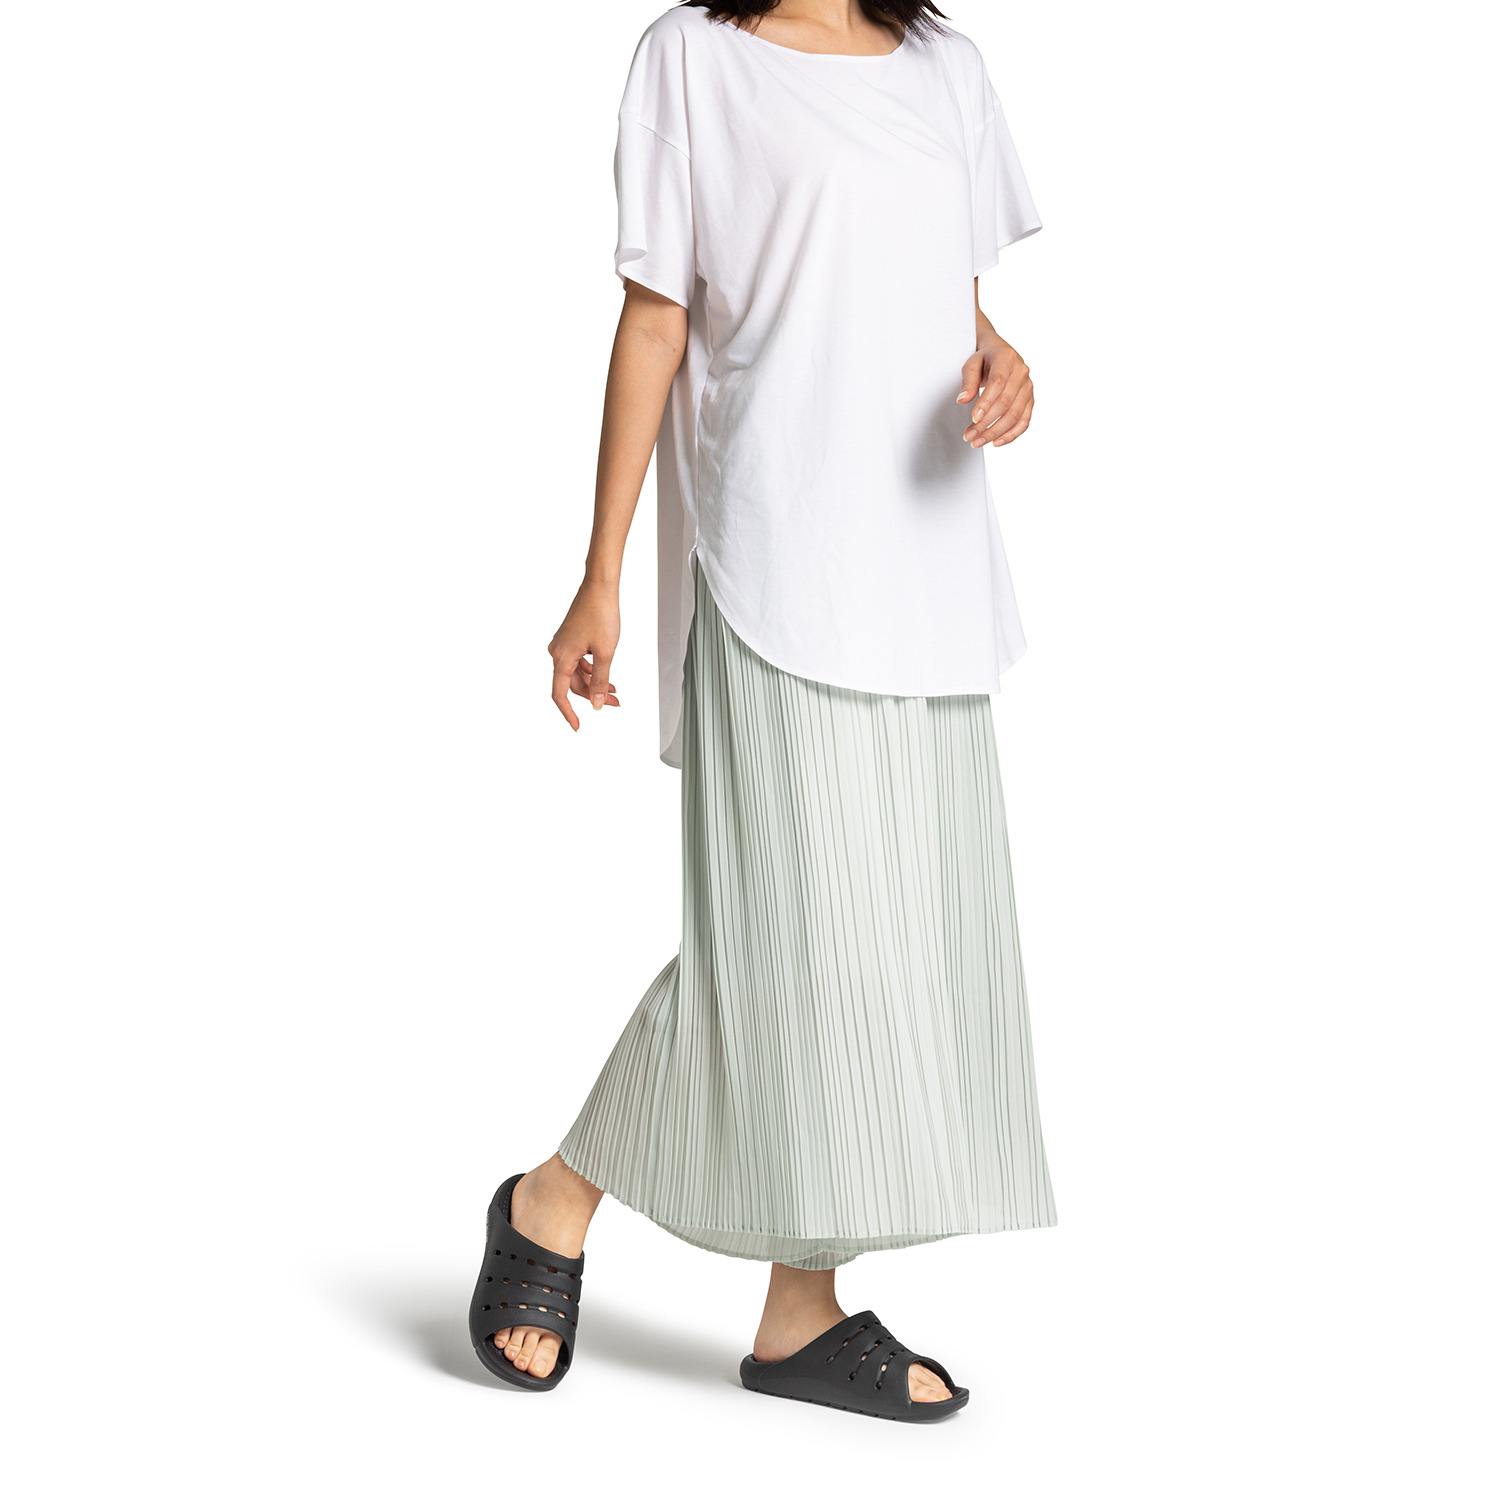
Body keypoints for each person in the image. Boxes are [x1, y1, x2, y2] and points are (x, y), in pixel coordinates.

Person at [470, 0, 1055, 1422]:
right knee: (782, 955)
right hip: (781, 559)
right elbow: (656, 320)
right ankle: (554, 1199)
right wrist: (601, 575)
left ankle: (802, 1313)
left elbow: (943, 298)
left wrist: (1004, 363)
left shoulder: (949, 69)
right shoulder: (694, 59)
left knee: (891, 956)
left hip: (927, 570)